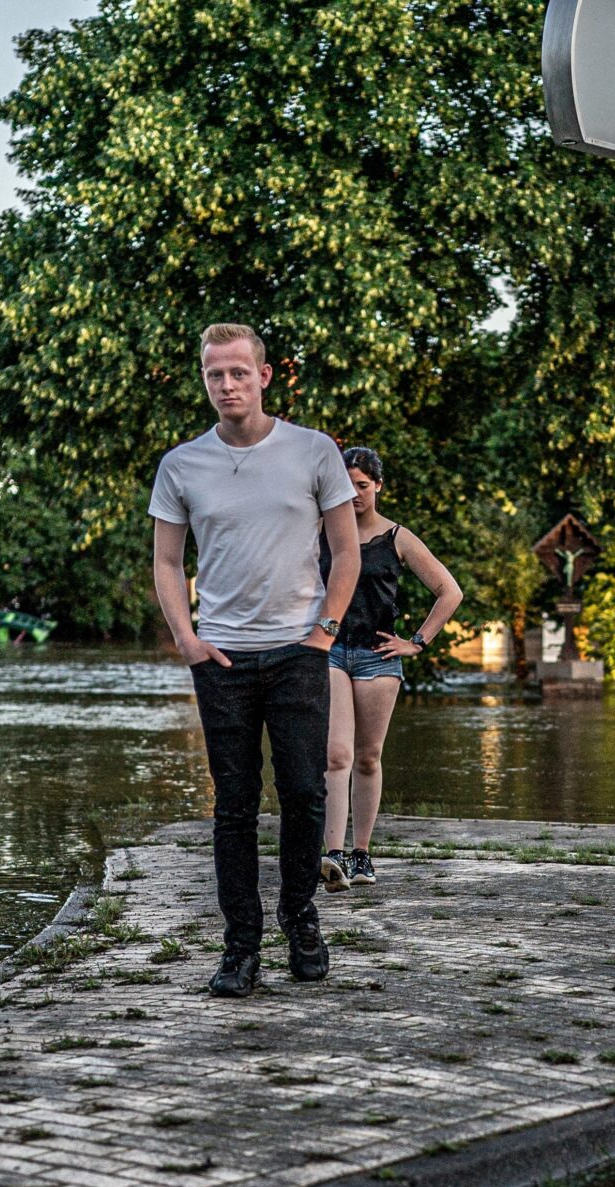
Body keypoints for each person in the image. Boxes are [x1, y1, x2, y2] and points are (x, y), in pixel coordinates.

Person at [150, 322, 362, 998]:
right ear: (205, 380)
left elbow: (347, 550)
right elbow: (166, 559)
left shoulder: (313, 451)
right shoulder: (182, 464)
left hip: (300, 650)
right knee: (235, 807)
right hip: (223, 659)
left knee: (304, 794)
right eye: (215, 374)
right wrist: (186, 639)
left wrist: (326, 632)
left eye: (239, 372)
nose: (227, 385)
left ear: (265, 375)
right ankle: (240, 947)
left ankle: (301, 919)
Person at [317, 446, 464, 890]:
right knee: (335, 754)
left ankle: (361, 854)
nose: (355, 494)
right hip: (330, 652)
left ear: (378, 486)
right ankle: (333, 855)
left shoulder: (397, 537)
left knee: (367, 757)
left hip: (377, 656)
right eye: (346, 486)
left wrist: (416, 641)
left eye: (362, 485)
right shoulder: (319, 531)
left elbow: (449, 592)